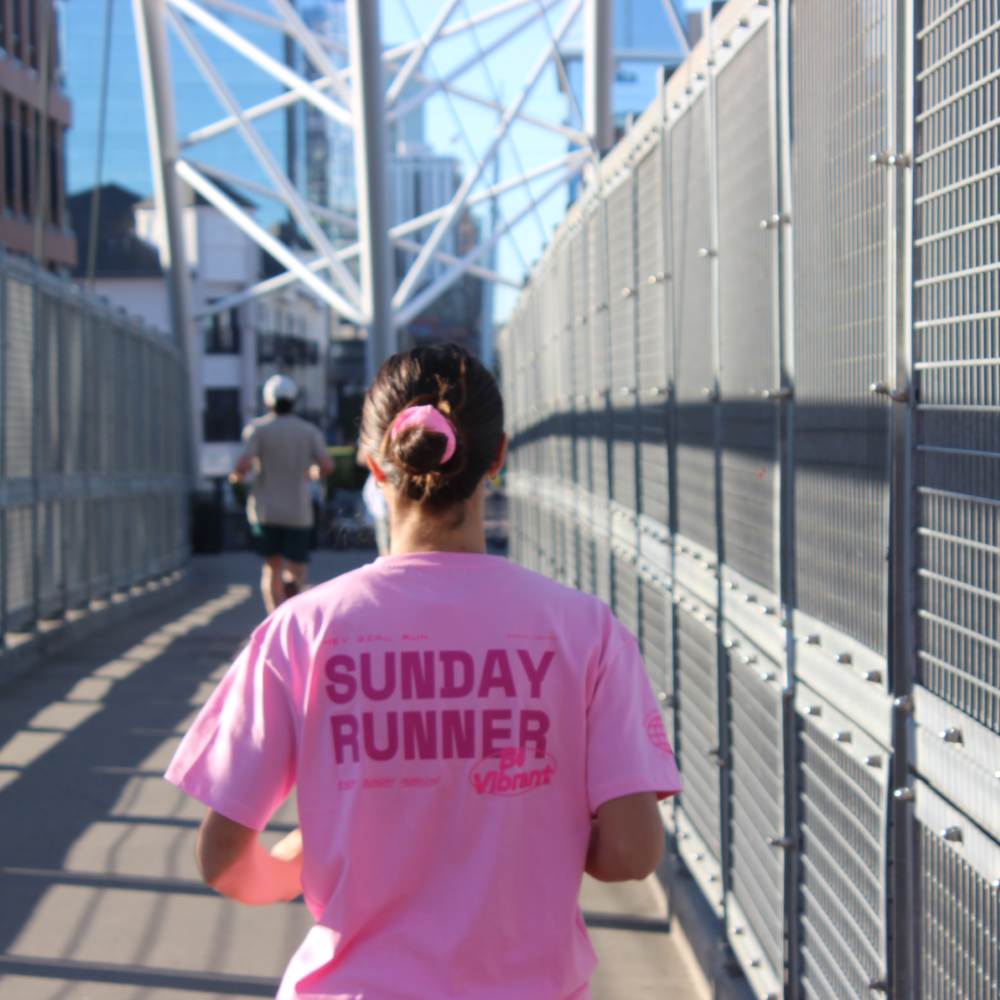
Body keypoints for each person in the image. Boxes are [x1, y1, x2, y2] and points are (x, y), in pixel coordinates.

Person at [167, 344, 682, 1000]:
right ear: (497, 459)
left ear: (375, 466)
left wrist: (300, 864)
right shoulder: (585, 629)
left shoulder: (300, 631)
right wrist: (546, 834)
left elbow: (223, 862)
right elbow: (634, 853)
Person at [230, 374, 334, 613]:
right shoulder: (308, 431)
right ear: (294, 400)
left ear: (268, 400)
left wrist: (236, 476)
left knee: (271, 568)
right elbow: (327, 466)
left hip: (265, 510)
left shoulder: (257, 429)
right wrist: (311, 474)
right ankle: (293, 603)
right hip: (298, 510)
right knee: (297, 569)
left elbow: (243, 465)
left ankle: (274, 618)